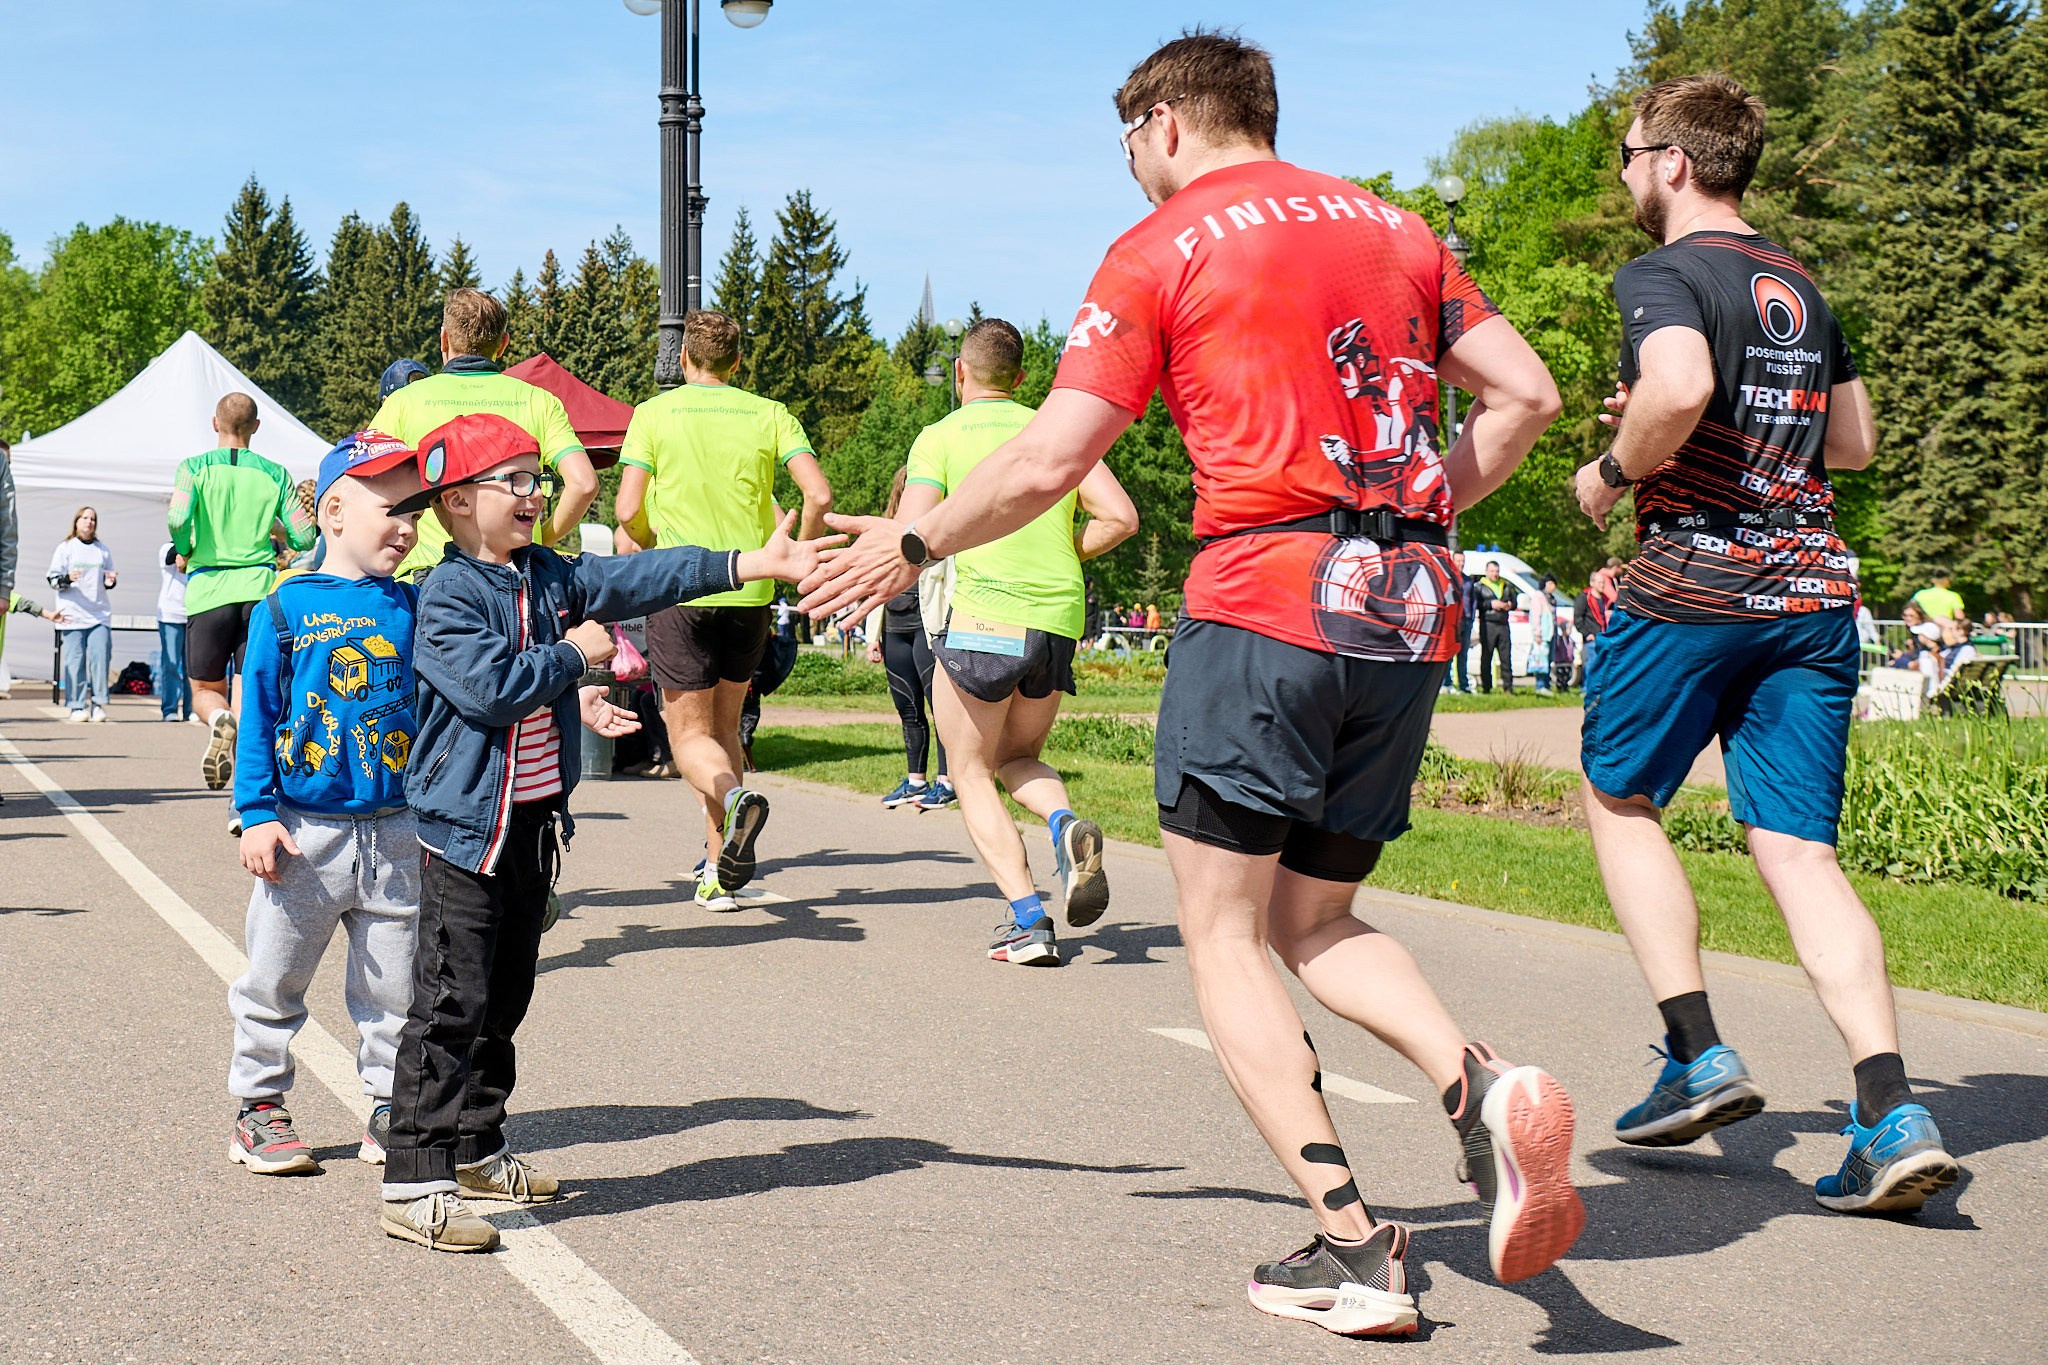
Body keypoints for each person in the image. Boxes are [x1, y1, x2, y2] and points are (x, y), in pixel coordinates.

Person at [801, 30, 1581, 1334]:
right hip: (1404, 611)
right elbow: (1528, 397)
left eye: (1124, 140)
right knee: (1316, 921)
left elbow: (1050, 459)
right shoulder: (1397, 230)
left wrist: (914, 542)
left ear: (1164, 122)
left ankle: (1354, 1250)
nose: (1127, 164)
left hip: (1264, 602)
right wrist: (1422, 511)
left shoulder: (1163, 245)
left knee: (1224, 934)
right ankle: (1480, 1084)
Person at [1574, 73, 1958, 1214]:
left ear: (1674, 162)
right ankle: (1889, 1111)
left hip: (1694, 583)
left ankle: (1695, 1051)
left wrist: (1614, 468)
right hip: (1811, 594)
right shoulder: (1799, 281)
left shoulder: (1661, 273)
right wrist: (1697, 418)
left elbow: (1683, 381)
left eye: (1630, 155)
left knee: (1617, 797)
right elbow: (1851, 441)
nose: (1626, 175)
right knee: (1798, 853)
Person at [377, 413, 834, 1252]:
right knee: (450, 1003)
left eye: (537, 478)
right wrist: (573, 656)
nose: (535, 493)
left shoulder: (548, 573)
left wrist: (749, 564)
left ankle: (475, 1147)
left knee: (505, 996)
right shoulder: (447, 594)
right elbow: (488, 689)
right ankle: (414, 1176)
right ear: (457, 501)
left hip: (528, 826)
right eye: (515, 480)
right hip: (465, 832)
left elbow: (642, 575)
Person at [901, 318, 1138, 965]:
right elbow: (1120, 518)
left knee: (969, 770)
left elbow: (911, 532)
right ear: (1023, 378)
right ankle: (1064, 825)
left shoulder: (941, 436)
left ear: (960, 372)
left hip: (984, 617)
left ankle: (1029, 920)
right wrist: (1063, 550)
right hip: (1057, 618)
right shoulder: (1055, 432)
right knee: (1016, 758)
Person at [224, 430, 426, 1177]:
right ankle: (259, 1106)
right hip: (303, 836)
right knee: (274, 979)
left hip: (396, 833)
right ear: (334, 511)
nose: (407, 527)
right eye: (392, 508)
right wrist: (256, 812)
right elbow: (258, 716)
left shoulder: (413, 603)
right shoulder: (285, 606)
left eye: (416, 513)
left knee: (394, 989)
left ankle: (389, 1106)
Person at [615, 309, 835, 913]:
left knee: (687, 736)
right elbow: (818, 493)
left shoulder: (654, 414)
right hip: (752, 589)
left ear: (684, 357)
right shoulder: (769, 413)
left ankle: (734, 803)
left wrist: (651, 542)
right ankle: (718, 872)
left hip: (681, 588)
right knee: (725, 730)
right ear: (737, 362)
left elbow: (627, 508)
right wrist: (799, 552)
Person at [375, 289, 598, 584]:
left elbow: (364, 484)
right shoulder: (539, 401)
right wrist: (543, 538)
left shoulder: (404, 402)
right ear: (503, 344)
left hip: (431, 573)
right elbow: (584, 484)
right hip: (517, 573)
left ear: (444, 339)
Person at [171, 393, 317, 805]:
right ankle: (243, 804)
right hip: (258, 593)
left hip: (209, 589)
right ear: (256, 427)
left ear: (214, 423)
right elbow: (306, 535)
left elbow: (178, 517)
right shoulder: (275, 473)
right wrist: (274, 530)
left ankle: (217, 718)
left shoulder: (193, 468)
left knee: (205, 689)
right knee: (249, 698)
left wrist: (185, 547)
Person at [867, 468, 954, 812]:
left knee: (941, 709)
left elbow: (951, 581)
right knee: (908, 708)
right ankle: (916, 781)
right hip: (894, 628)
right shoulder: (886, 530)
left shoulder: (944, 529)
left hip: (927, 627)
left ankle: (947, 782)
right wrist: (872, 636)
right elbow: (875, 584)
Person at [47, 506, 117, 721]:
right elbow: (52, 579)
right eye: (85, 518)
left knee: (100, 660)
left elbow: (108, 579)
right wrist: (67, 578)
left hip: (98, 615)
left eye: (93, 519)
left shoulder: (102, 550)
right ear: (76, 522)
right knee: (75, 662)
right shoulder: (66, 548)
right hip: (72, 615)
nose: (89, 522)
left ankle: (98, 703)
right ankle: (76, 705)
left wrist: (110, 581)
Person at [153, 541, 193, 722]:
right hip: (171, 614)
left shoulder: (202, 547)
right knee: (171, 664)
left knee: (192, 666)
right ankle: (170, 709)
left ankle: (191, 709)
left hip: (194, 612)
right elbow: (171, 557)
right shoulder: (166, 548)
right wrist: (184, 538)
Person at [1474, 559, 1515, 693]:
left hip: (1503, 624)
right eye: (1492, 571)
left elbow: (1514, 602)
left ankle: (1508, 687)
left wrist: (1509, 605)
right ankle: (1486, 687)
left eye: (1497, 571)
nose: (1495, 574)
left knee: (1506, 657)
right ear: (1486, 572)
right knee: (1487, 656)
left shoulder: (1505, 586)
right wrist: (1491, 604)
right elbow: (1477, 604)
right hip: (1488, 624)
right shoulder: (1479, 587)